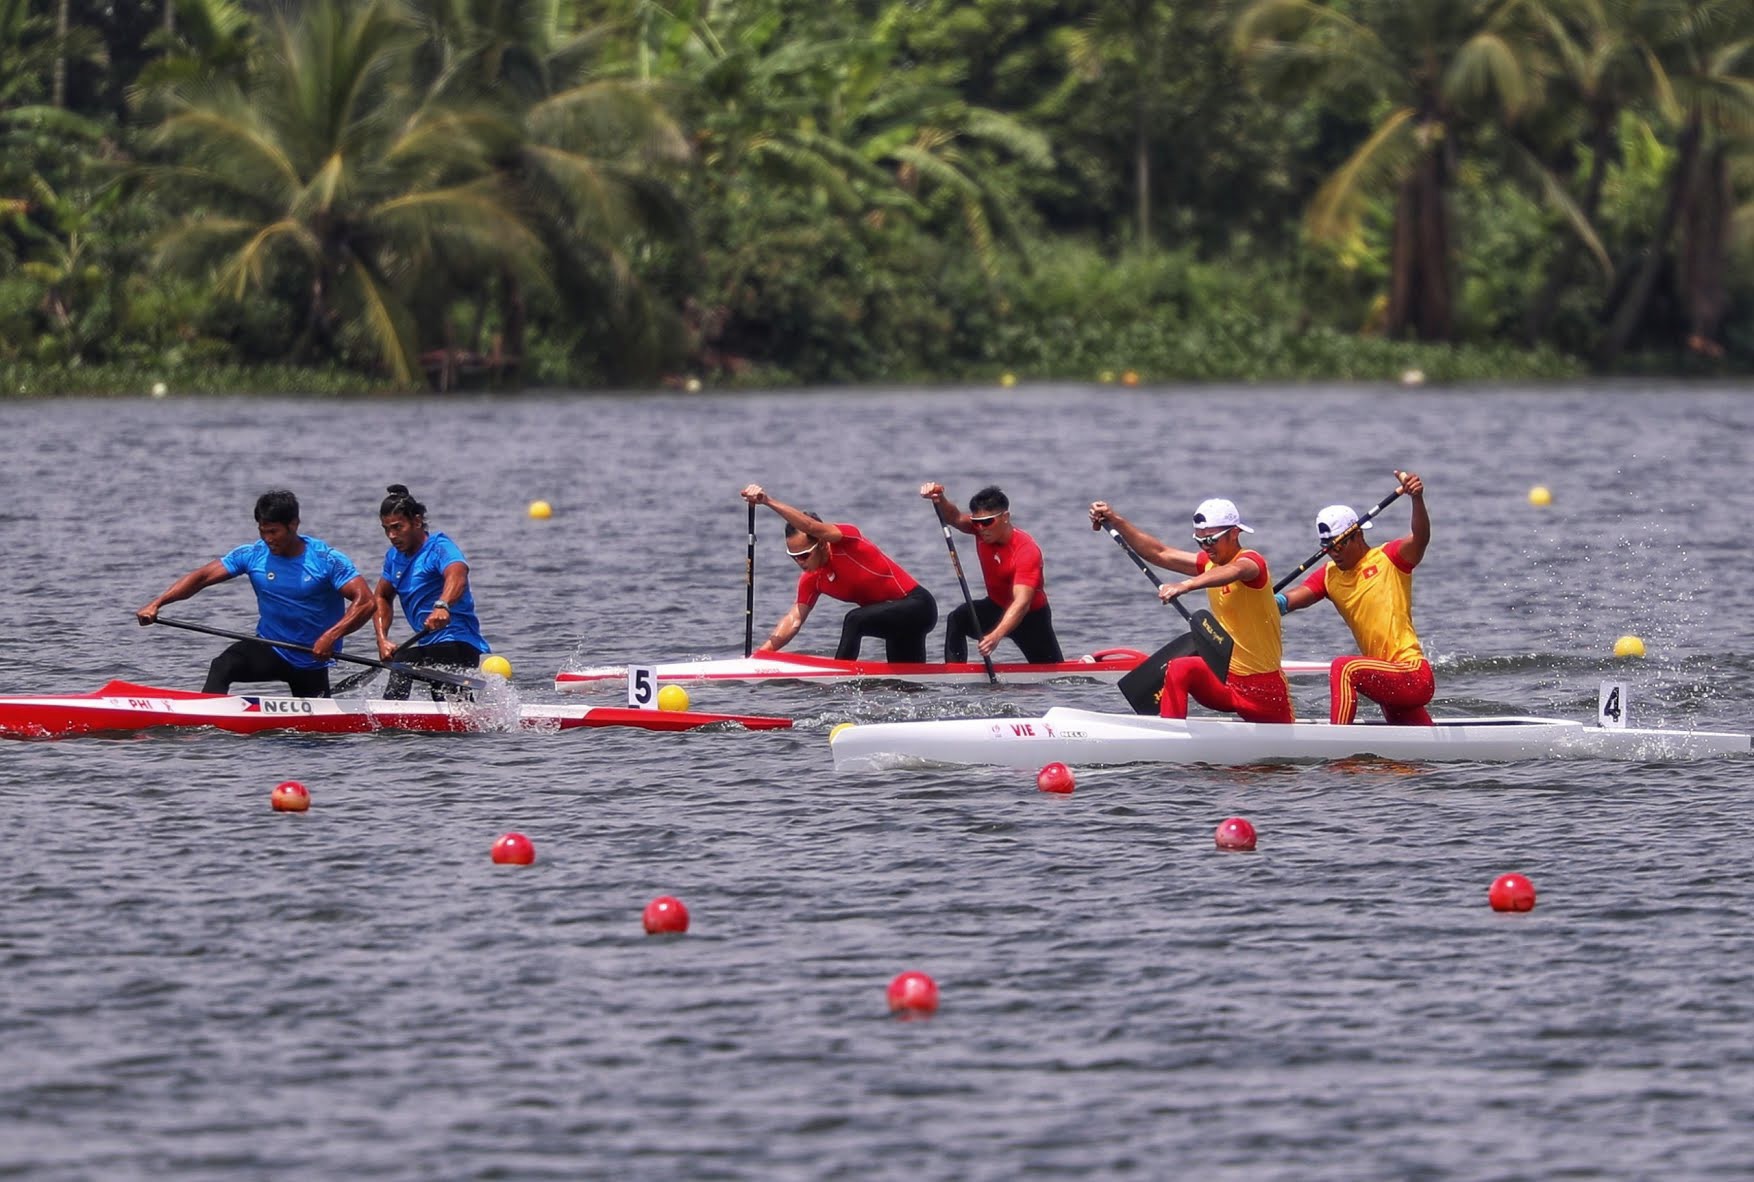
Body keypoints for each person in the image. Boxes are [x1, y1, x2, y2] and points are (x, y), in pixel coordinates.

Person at [136, 489, 375, 696]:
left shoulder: (326, 560)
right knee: (223, 665)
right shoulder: (252, 555)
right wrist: (158, 603)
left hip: (312, 658)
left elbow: (365, 602)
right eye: (263, 531)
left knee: (315, 739)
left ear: (293, 525)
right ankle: (205, 724)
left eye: (274, 532)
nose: (268, 539)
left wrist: (331, 637)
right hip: (270, 647)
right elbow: (202, 577)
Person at [1088, 497, 1292, 724]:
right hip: (1225, 679)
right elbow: (1159, 553)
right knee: (1179, 668)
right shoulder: (1209, 563)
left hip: (1264, 689)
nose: (1206, 547)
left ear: (1234, 533)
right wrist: (1116, 521)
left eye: (1212, 540)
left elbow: (1235, 570)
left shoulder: (1252, 562)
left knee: (1273, 762)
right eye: (1199, 540)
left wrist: (1185, 585)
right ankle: (1170, 734)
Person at [1280, 469, 1433, 725]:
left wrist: (1417, 499)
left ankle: (1336, 744)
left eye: (1339, 545)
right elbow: (1290, 600)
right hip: (1384, 680)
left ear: (1358, 535)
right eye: (1327, 548)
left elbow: (1421, 538)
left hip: (1411, 673)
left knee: (1345, 668)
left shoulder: (1390, 558)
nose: (1334, 554)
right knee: (1407, 763)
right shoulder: (1329, 576)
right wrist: (1266, 603)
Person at [741, 484, 938, 662]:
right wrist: (761, 656)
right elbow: (794, 620)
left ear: (820, 543)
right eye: (793, 557)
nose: (799, 562)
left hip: (918, 607)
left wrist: (767, 501)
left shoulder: (846, 540)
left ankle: (839, 682)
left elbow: (809, 526)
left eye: (803, 555)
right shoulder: (811, 579)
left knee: (854, 619)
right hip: (895, 623)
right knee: (906, 685)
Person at [919, 481, 1063, 664]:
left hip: (1030, 618)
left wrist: (995, 636)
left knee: (1054, 674)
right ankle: (953, 676)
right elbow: (953, 517)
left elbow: (1022, 603)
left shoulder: (1026, 550)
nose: (981, 529)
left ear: (1005, 517)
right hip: (995, 607)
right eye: (977, 522)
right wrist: (939, 498)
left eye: (987, 522)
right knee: (958, 619)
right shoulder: (981, 531)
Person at [372, 483, 491, 699]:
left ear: (416, 521)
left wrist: (442, 605)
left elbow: (458, 574)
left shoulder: (439, 547)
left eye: (397, 527)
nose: (391, 535)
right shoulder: (393, 558)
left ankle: (389, 723)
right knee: (451, 711)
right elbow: (381, 595)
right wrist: (382, 639)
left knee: (404, 661)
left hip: (458, 643)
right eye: (386, 529)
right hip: (429, 645)